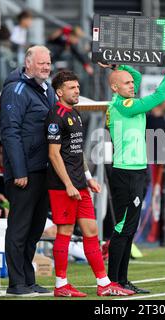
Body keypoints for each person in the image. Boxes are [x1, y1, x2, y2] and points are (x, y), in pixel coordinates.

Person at [46, 70, 134, 297]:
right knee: (64, 232)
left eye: (77, 87)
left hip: (80, 184)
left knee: (91, 230)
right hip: (62, 186)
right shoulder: (55, 116)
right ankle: (60, 285)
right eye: (72, 88)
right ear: (59, 92)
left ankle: (103, 283)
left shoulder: (74, 114)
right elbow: (54, 155)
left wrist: (88, 178)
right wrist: (68, 184)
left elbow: (77, 153)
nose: (77, 90)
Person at [98, 52, 165, 294]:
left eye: (132, 84)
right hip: (125, 173)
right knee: (122, 228)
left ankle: (121, 280)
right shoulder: (123, 105)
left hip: (136, 171)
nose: (133, 85)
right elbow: (160, 95)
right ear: (114, 87)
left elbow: (134, 75)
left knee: (129, 228)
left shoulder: (125, 101)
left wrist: (117, 65)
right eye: (127, 83)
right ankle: (113, 281)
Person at [0, 45, 57, 297]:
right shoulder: (16, 90)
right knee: (19, 229)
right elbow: (10, 132)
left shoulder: (48, 89)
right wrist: (19, 170)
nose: (46, 67)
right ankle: (16, 283)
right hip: (25, 173)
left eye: (48, 63)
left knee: (34, 230)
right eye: (41, 63)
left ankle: (28, 279)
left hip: (44, 171)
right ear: (28, 64)